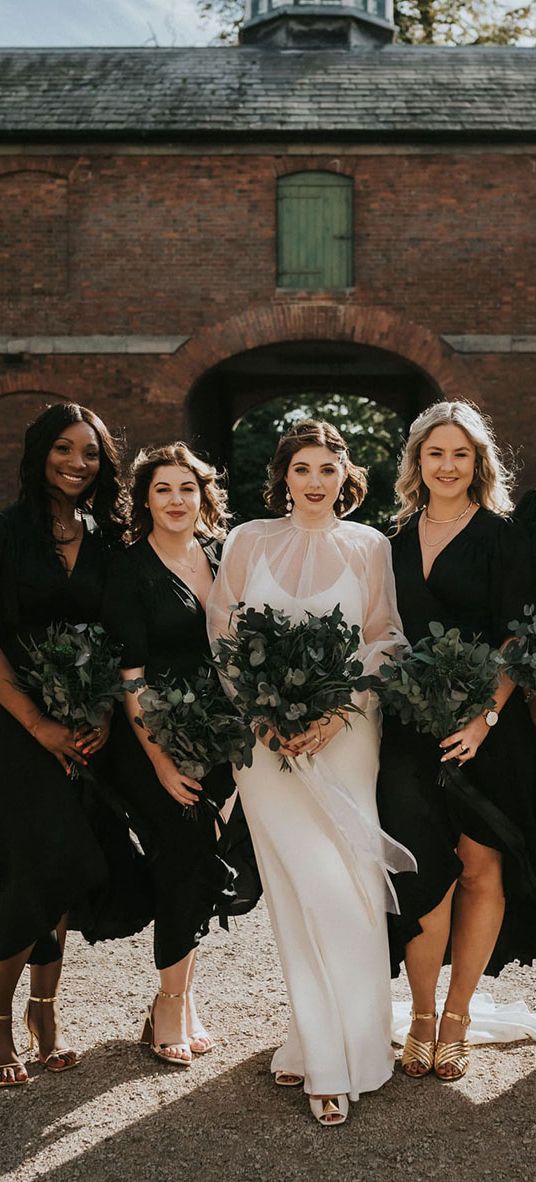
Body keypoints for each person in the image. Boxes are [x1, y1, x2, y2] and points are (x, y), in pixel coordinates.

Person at [207, 419, 415, 1126]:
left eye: (328, 469)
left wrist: (340, 707)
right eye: (303, 469)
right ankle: (316, 1045)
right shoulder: (246, 541)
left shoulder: (370, 547)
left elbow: (386, 636)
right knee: (300, 890)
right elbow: (223, 637)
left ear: (345, 476)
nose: (316, 482)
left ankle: (347, 1050)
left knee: (347, 885)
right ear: (283, 476)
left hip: (346, 734)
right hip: (265, 744)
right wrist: (261, 712)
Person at [377, 400, 536, 1081]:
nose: (447, 465)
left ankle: (457, 1016)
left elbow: (518, 636)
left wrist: (483, 718)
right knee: (422, 874)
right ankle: (417, 1012)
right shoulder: (390, 539)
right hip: (409, 732)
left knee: (480, 869)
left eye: (460, 454)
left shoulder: (504, 538)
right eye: (435, 453)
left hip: (487, 732)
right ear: (418, 462)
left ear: (478, 463)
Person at [0, 401, 134, 1087]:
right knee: (33, 867)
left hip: (89, 727)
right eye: (64, 450)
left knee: (66, 870)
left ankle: (44, 1017)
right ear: (39, 455)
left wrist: (104, 714)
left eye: (90, 453)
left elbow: (118, 638)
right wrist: (37, 723)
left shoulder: (108, 539)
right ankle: (1, 1029)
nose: (77, 463)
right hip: (17, 730)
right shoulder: (8, 533)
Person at [103, 443, 239, 1067]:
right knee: (184, 854)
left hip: (216, 737)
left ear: (203, 495)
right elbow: (130, 676)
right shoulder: (129, 568)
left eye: (187, 488)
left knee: (202, 859)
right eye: (163, 489)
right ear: (145, 499)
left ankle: (182, 998)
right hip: (152, 741)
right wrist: (160, 761)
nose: (177, 500)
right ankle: (168, 1003)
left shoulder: (222, 553)